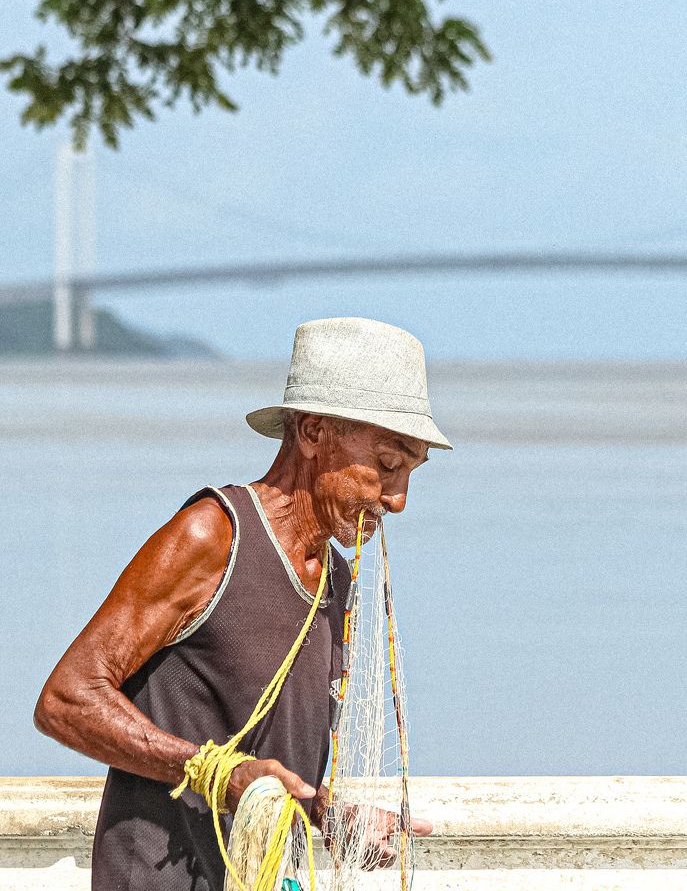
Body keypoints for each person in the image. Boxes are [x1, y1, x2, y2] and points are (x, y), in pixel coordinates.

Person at [34, 316, 452, 891]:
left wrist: (328, 813)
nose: (399, 499)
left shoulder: (336, 581)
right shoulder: (213, 537)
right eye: (385, 465)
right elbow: (66, 699)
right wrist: (214, 775)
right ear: (311, 432)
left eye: (410, 471)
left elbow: (268, 771)